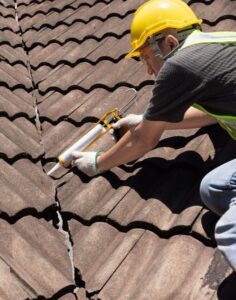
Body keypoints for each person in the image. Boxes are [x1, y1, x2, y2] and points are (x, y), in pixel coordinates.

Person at [71, 0, 236, 270]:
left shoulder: (180, 64)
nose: (148, 70)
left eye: (147, 57)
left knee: (231, 230)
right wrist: (153, 119)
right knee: (213, 189)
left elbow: (143, 141)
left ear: (170, 43)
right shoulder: (223, 42)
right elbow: (213, 113)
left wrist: (97, 163)